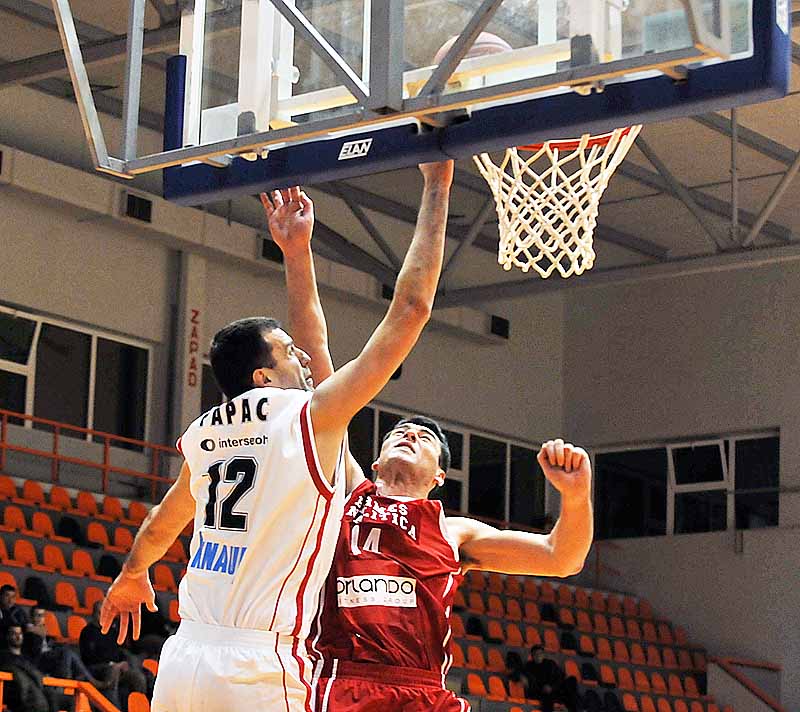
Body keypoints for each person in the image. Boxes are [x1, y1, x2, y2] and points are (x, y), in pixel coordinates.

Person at [99, 161, 454, 712]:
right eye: (291, 355)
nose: (306, 361)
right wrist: (437, 185)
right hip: (259, 665)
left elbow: (163, 522)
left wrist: (132, 573)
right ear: (264, 376)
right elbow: (410, 310)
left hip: (185, 656)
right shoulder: (309, 419)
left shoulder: (204, 436)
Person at [273, 198, 594, 711]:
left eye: (423, 437)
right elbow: (316, 356)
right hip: (342, 682)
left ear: (440, 475)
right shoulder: (345, 490)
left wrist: (576, 498)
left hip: (424, 692)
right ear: (374, 463)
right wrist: (296, 253)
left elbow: (563, 558)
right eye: (399, 431)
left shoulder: (453, 532)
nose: (409, 433)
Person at [80, 602, 148, 710]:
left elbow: (119, 651)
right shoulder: (87, 632)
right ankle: (113, 708)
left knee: (138, 677)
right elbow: (88, 658)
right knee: (113, 671)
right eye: (100, 613)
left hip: (117, 667)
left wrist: (123, 663)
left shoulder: (112, 631)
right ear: (94, 614)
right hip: (97, 668)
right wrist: (113, 664)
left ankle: (138, 707)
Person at [0, 625, 55, 712]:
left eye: (20, 634)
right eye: (14, 633)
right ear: (7, 636)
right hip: (17, 696)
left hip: (36, 696)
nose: (18, 636)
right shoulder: (3, 656)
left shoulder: (27, 659)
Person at [524, 644, 580, 712]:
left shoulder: (550, 663)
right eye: (535, 654)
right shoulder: (529, 666)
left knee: (572, 680)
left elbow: (560, 677)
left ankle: (572, 709)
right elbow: (531, 682)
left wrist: (552, 687)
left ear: (543, 655)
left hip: (554, 688)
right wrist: (544, 688)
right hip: (541, 692)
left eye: (540, 653)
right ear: (532, 656)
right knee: (547, 696)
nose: (538, 656)